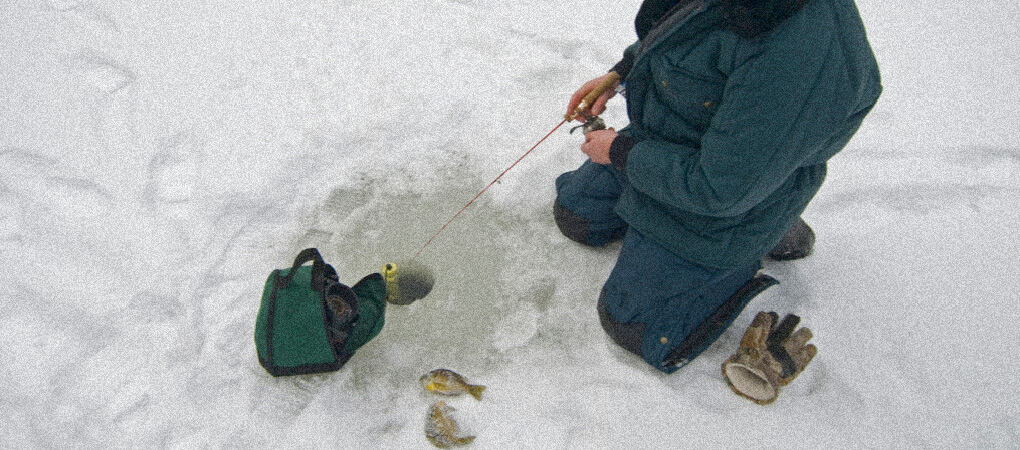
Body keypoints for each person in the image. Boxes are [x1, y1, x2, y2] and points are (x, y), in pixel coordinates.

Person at [554, 0, 881, 373]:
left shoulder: (794, 54)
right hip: (685, 142)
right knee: (578, 216)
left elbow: (720, 187)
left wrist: (621, 153)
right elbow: (683, 31)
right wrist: (624, 70)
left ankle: (766, 230)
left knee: (634, 324)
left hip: (731, 190)